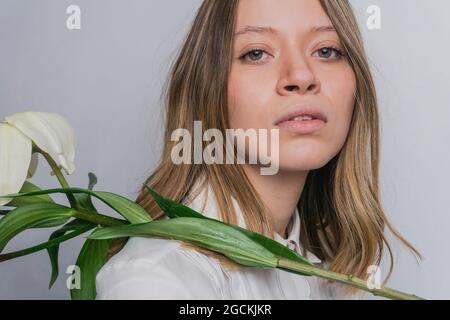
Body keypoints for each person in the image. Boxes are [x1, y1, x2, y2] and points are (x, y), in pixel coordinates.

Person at [96, 0, 421, 300]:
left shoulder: (322, 277)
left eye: (326, 50)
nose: (302, 76)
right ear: (206, 87)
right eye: (256, 53)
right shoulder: (157, 281)